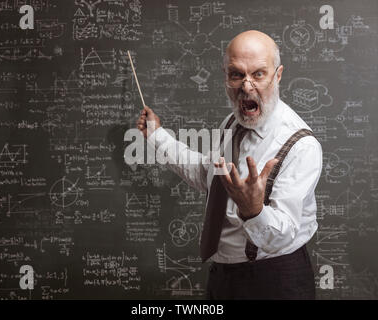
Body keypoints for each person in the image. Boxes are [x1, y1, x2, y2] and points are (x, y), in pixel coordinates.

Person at [136, 30, 323, 299]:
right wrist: (157, 136)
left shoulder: (301, 145)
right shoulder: (231, 124)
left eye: (258, 74)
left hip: (273, 281)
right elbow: (207, 177)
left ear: (278, 75)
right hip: (224, 277)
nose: (246, 86)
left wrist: (254, 211)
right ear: (226, 77)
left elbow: (283, 236)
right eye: (236, 74)